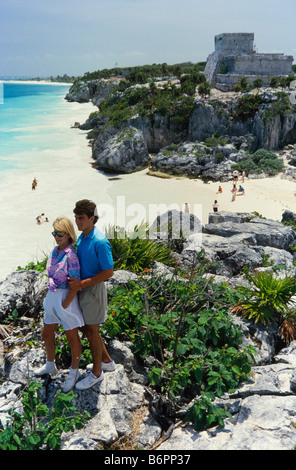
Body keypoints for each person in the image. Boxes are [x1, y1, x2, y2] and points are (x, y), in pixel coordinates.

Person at [35, 217, 85, 392]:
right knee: (47, 333)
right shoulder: (55, 251)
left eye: (60, 233)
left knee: (72, 337)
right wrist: (49, 280)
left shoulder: (71, 255)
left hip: (65, 299)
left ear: (69, 234)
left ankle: (74, 371)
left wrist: (65, 304)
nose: (56, 237)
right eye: (54, 233)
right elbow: (50, 271)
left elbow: (75, 283)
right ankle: (50, 364)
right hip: (52, 296)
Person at [69, 199, 114, 391]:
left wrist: (82, 284)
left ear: (92, 218)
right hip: (82, 289)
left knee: (92, 332)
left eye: (81, 218)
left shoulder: (100, 241)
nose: (77, 222)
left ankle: (97, 374)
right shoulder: (83, 237)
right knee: (84, 328)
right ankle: (107, 361)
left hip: (93, 290)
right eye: (76, 218)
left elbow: (108, 272)